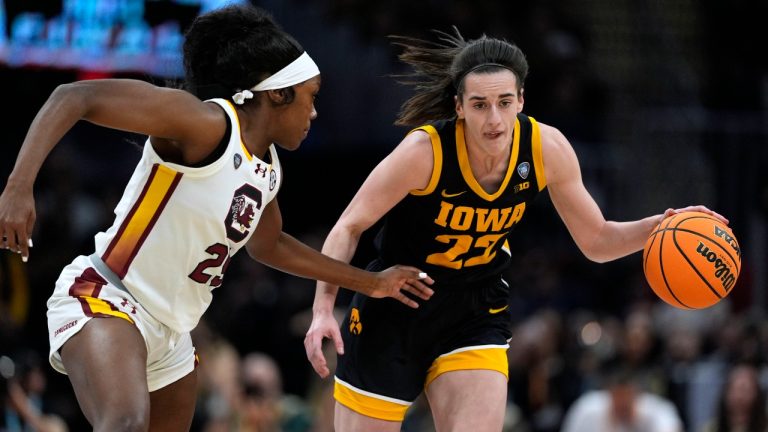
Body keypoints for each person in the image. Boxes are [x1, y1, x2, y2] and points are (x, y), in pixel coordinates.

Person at [0, 4, 433, 431]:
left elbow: (271, 245)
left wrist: (371, 283)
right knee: (125, 424)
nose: (315, 112)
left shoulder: (268, 169)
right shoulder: (205, 123)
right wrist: (19, 187)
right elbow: (75, 96)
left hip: (173, 331)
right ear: (277, 94)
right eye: (311, 96)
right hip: (108, 296)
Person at [303, 28, 727, 431]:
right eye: (480, 104)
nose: (494, 119)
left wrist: (662, 225)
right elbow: (349, 226)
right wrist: (324, 307)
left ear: (521, 100)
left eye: (505, 103)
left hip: (474, 308)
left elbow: (597, 240)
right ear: (459, 106)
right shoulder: (424, 153)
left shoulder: (546, 149)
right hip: (396, 305)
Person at [560, 367, 683, 432]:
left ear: (636, 396)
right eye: (618, 399)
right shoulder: (587, 408)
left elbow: (670, 427)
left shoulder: (657, 410)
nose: (622, 405)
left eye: (627, 400)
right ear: (609, 394)